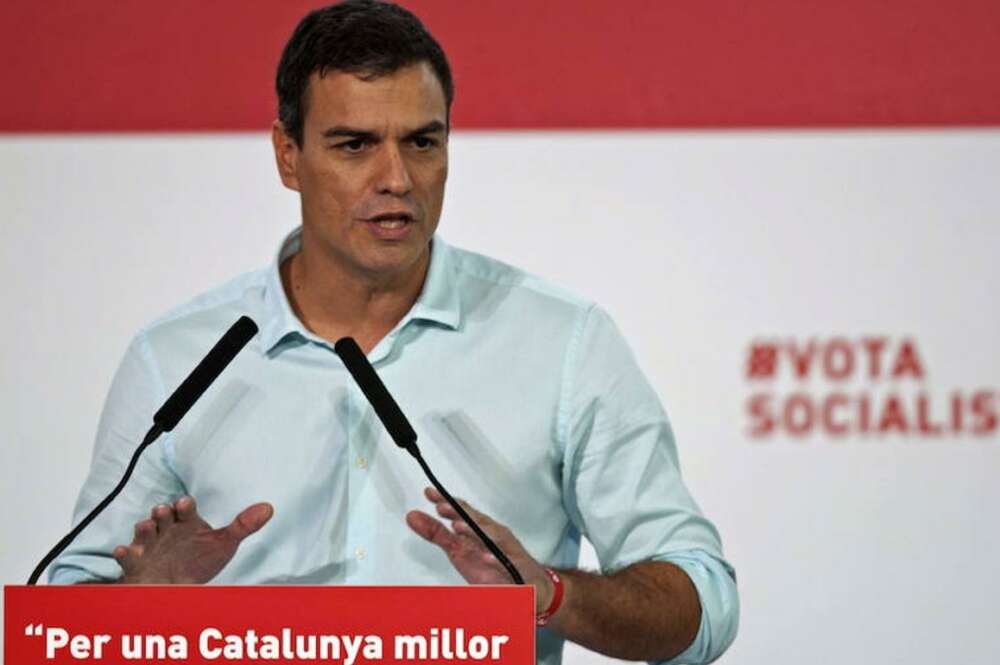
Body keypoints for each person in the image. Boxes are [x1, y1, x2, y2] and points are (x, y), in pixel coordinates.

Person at [50, 2, 739, 662]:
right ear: (287, 155)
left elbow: (703, 605)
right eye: (355, 145)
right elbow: (59, 625)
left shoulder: (563, 342)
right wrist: (140, 602)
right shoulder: (177, 360)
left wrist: (551, 593)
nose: (398, 178)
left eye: (423, 142)